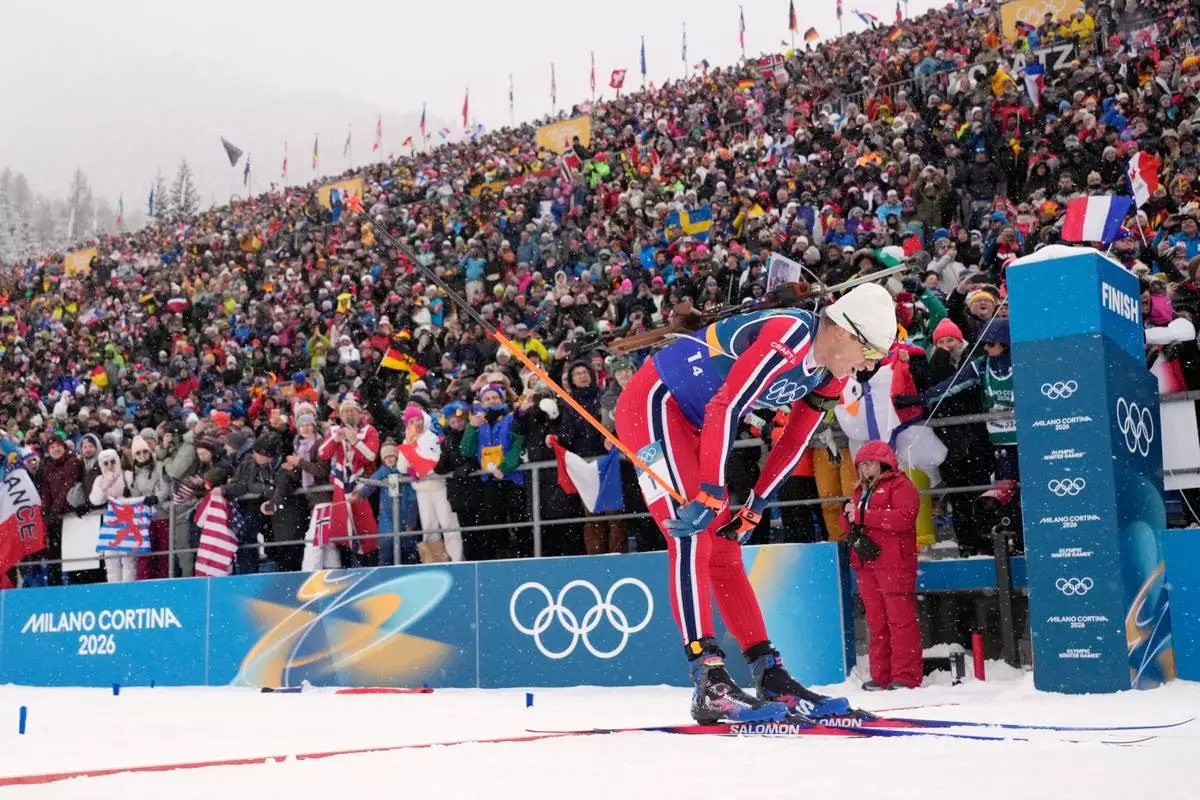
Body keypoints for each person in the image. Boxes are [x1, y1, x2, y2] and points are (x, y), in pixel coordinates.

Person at [614, 283, 898, 723]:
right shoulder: (790, 336)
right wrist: (711, 487)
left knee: (724, 550)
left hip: (699, 421)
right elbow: (727, 407)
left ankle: (770, 674)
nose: (869, 366)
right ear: (843, 331)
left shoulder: (832, 372)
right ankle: (708, 678)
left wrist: (760, 500)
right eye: (869, 352)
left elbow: (797, 437)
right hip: (655, 406)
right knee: (693, 535)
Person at [841, 440, 922, 691]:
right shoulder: (859, 491)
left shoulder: (901, 485)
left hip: (894, 563)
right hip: (866, 564)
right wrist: (847, 516)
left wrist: (863, 515)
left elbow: (904, 519)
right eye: (861, 464)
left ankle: (906, 676)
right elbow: (851, 526)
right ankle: (882, 675)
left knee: (900, 621)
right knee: (876, 622)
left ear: (883, 463)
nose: (865, 469)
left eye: (869, 463)